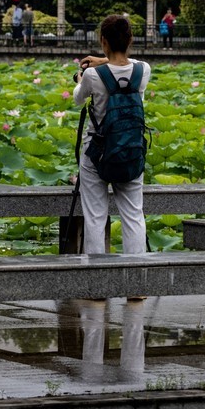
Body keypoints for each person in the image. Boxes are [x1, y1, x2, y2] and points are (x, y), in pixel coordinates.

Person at [72, 14, 149, 259]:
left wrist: (81, 78)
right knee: (133, 215)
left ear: (103, 40)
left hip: (96, 152)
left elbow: (78, 98)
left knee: (95, 217)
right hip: (131, 150)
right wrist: (105, 59)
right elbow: (128, 63)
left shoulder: (94, 76)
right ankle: (137, 286)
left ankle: (97, 287)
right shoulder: (143, 70)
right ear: (131, 39)